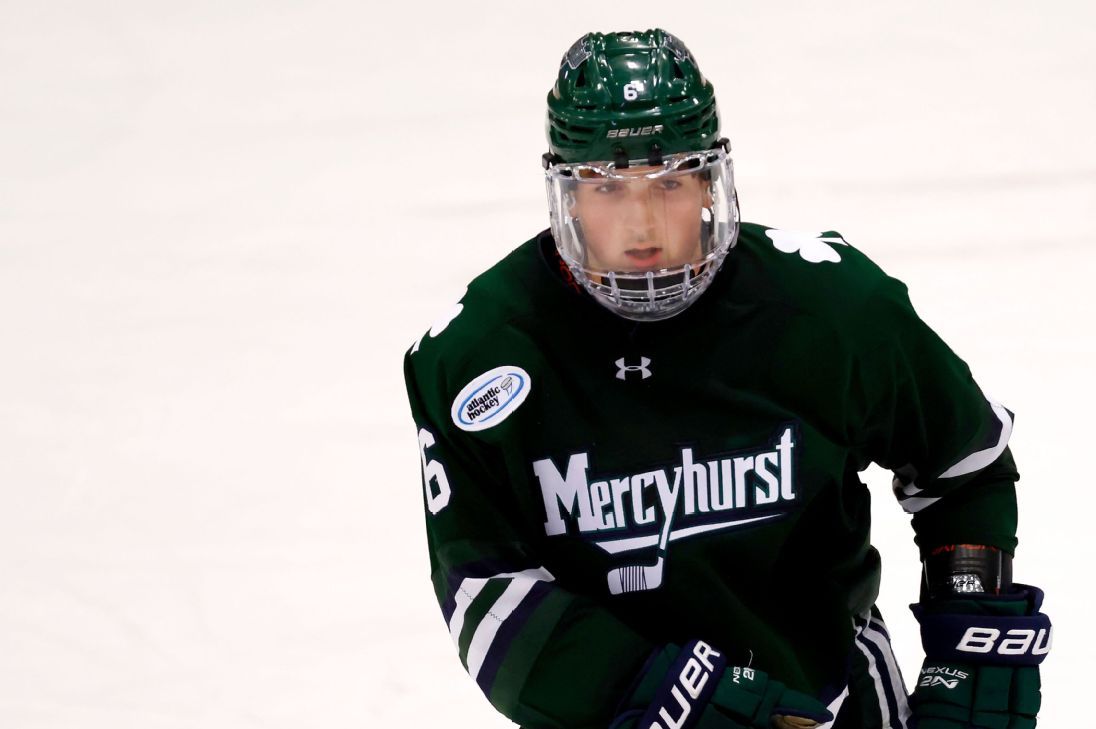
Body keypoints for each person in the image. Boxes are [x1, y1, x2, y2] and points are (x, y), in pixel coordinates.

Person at [402, 29, 1051, 729]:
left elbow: (965, 467)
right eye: (606, 185)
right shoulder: (480, 358)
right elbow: (486, 592)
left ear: (712, 180)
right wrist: (666, 699)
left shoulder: (830, 307)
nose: (639, 222)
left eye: (671, 180)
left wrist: (969, 646)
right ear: (566, 192)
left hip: (836, 707)